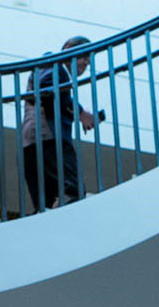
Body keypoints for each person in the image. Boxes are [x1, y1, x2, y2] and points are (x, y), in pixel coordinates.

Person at [19, 36, 102, 213]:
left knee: (46, 203)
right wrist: (80, 113)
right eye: (84, 55)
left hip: (33, 141)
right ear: (67, 49)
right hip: (49, 138)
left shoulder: (52, 69)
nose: (86, 62)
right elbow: (47, 91)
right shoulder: (53, 63)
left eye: (89, 59)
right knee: (72, 191)